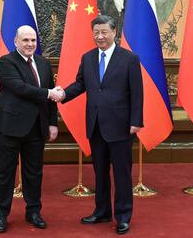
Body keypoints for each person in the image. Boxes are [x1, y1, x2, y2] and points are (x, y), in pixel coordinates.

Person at [60, 15, 143, 235]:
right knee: (100, 173)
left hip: (121, 126)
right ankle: (102, 211)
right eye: (96, 32)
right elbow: (80, 84)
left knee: (122, 174)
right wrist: (62, 94)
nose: (100, 36)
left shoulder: (129, 59)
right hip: (96, 125)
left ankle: (123, 216)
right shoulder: (87, 58)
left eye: (104, 32)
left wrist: (136, 121)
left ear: (114, 32)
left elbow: (137, 93)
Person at [0, 25, 63, 233]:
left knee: (34, 173)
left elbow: (50, 102)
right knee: (4, 173)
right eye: (25, 40)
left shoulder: (43, 63)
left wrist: (52, 123)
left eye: (33, 40)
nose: (30, 44)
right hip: (10, 127)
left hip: (37, 128)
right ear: (16, 42)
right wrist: (49, 93)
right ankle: (1, 215)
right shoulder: (6, 62)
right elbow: (19, 88)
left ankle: (33, 211)